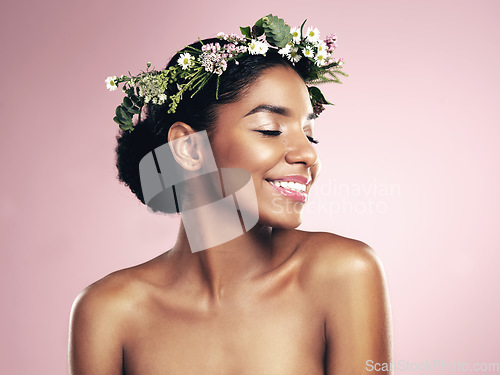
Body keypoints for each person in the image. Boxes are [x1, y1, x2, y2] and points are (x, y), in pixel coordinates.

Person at [69, 15, 392, 375]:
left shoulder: (343, 273)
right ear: (189, 150)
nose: (308, 154)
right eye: (270, 130)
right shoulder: (108, 312)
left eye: (310, 134)